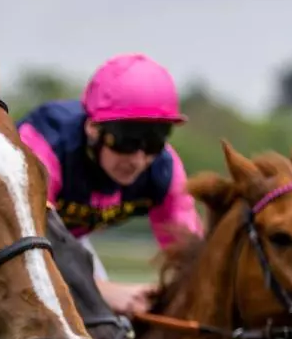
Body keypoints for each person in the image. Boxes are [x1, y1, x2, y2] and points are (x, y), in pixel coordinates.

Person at [16, 53, 203, 316]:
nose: (138, 160)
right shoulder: (44, 149)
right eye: (126, 141)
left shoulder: (165, 169)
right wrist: (102, 290)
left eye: (153, 143)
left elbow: (189, 256)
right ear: (93, 127)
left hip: (67, 243)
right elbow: (20, 251)